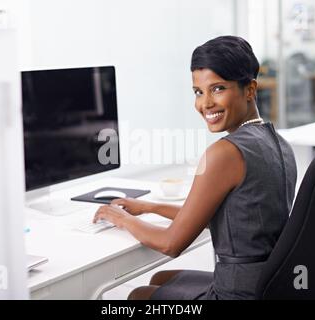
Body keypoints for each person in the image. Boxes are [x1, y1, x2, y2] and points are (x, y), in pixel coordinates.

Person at [93, 35, 297, 300]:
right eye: (199, 92)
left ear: (249, 89)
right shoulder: (277, 143)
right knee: (161, 279)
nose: (205, 103)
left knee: (140, 296)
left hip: (239, 292)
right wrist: (149, 207)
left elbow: (171, 244)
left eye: (218, 88)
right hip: (271, 284)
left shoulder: (225, 152)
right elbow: (228, 218)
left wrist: (122, 219)